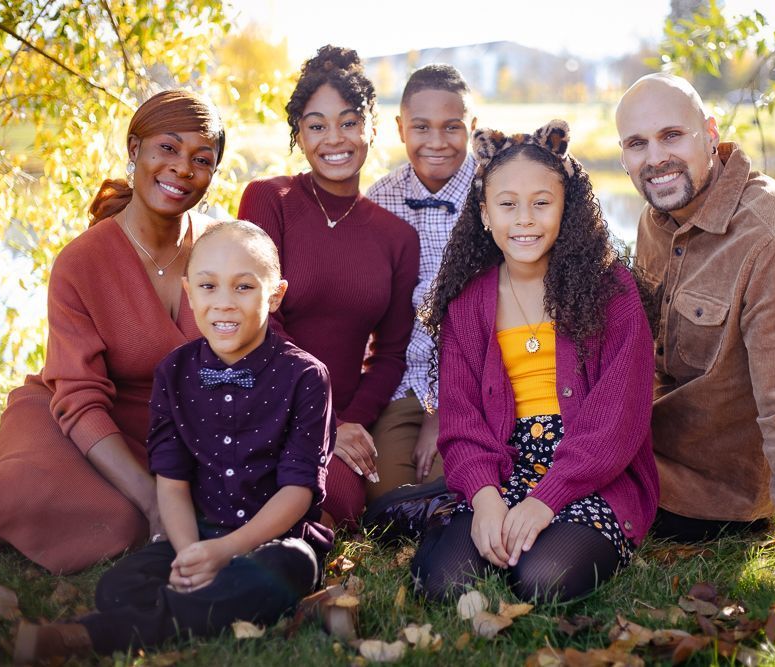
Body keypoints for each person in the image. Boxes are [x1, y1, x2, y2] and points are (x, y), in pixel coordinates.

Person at [13, 220, 334, 662]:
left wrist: (226, 551)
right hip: (198, 529)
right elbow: (172, 477)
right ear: (189, 291)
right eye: (208, 286)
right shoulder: (173, 373)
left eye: (244, 288)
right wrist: (189, 554)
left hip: (276, 539)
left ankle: (87, 637)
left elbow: (298, 490)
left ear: (274, 295)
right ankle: (268, 609)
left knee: (283, 570)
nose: (223, 303)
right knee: (118, 586)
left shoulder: (306, 377)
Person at [614, 73, 775, 624]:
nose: (656, 158)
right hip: (644, 443)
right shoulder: (657, 219)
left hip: (708, 491)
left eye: (672, 136)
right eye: (637, 144)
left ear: (710, 133)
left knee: (543, 495)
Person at [0, 90, 224, 574]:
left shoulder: (222, 248)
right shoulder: (82, 262)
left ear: (213, 173)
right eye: (168, 148)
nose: (183, 168)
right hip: (75, 420)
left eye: (200, 159)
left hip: (168, 436)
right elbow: (77, 397)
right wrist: (153, 501)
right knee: (119, 521)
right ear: (135, 149)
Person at [409, 120, 658, 602]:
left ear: (567, 207)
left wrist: (545, 500)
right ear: (484, 214)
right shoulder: (467, 303)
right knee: (441, 584)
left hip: (591, 474)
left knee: (542, 579)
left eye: (542, 203)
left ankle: (556, 536)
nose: (525, 219)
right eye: (507, 204)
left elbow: (617, 423)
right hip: (502, 467)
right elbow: (460, 422)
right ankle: (448, 512)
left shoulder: (611, 291)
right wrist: (484, 499)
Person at [238, 45, 419, 528]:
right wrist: (325, 420)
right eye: (316, 125)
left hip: (344, 416)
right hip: (267, 397)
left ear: (372, 129)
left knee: (339, 496)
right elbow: (258, 320)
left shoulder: (396, 236)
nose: (334, 139)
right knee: (259, 484)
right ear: (298, 134)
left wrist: (351, 421)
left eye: (348, 122)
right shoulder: (268, 199)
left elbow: (391, 353)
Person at [364, 64, 477, 502]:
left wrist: (442, 409)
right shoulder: (380, 198)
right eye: (421, 127)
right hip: (402, 378)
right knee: (390, 497)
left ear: (473, 127)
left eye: (452, 128)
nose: (436, 142)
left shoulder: (498, 193)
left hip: (478, 379)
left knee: (454, 487)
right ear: (399, 128)